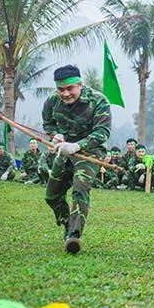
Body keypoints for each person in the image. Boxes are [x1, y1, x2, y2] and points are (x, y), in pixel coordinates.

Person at [42, 65, 111, 254]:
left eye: (69, 89)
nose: (65, 94)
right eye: (61, 89)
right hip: (64, 152)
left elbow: (102, 132)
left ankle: (74, 236)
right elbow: (48, 123)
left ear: (80, 84)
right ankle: (67, 224)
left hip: (89, 154)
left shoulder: (99, 101)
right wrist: (56, 136)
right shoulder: (52, 101)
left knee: (80, 189)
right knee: (51, 196)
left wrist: (77, 145)